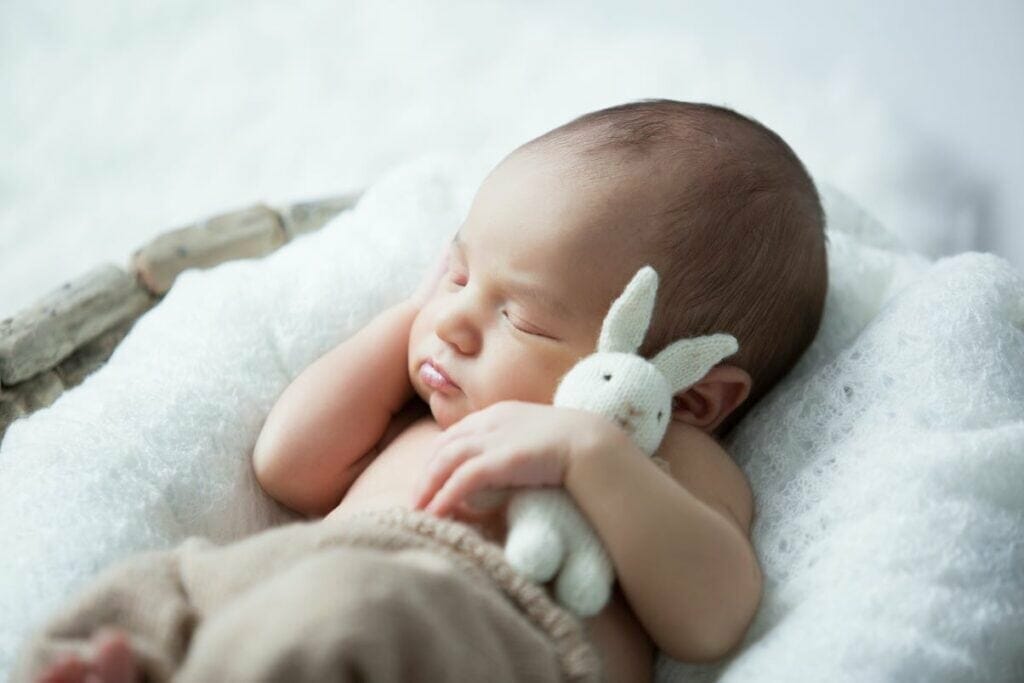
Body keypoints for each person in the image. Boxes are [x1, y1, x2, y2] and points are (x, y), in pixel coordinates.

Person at [20, 99, 828, 683]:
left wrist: (593, 453)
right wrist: (416, 312)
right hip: (296, 575)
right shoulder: (422, 397)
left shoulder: (667, 456)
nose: (457, 322)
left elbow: (713, 615)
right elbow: (287, 465)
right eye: (460, 269)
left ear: (691, 395)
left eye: (524, 318)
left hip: (478, 631)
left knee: (355, 608)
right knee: (160, 585)